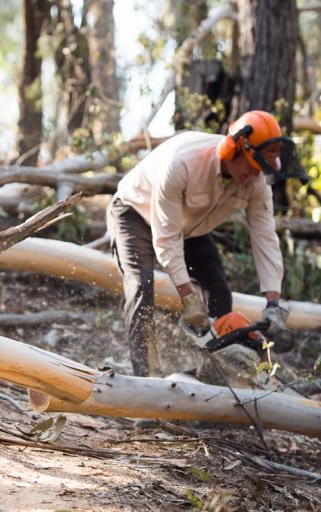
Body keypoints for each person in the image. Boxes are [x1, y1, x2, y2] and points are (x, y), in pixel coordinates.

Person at [107, 110, 306, 377]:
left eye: (260, 169)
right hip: (134, 212)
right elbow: (166, 238)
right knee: (141, 284)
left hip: (191, 225)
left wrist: (273, 302)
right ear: (233, 150)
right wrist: (188, 297)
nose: (253, 175)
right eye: (250, 166)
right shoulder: (182, 163)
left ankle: (214, 374)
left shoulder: (256, 182)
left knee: (219, 293)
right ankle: (145, 378)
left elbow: (266, 238)